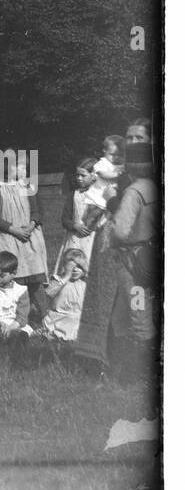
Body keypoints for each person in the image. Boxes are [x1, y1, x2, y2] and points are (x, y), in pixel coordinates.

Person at [107, 141, 159, 388]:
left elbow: (120, 231)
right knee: (121, 315)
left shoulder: (134, 192)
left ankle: (139, 374)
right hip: (151, 256)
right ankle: (121, 367)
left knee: (138, 314)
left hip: (132, 263)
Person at [0, 157, 47, 297]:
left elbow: (36, 211)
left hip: (28, 236)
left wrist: (30, 227)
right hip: (6, 236)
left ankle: (43, 315)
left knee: (34, 275)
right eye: (19, 167)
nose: (23, 171)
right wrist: (15, 230)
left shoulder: (27, 186)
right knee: (13, 275)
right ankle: (13, 310)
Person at [56, 157, 108, 270]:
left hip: (94, 240)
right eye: (77, 175)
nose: (79, 178)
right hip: (75, 240)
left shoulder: (102, 195)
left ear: (93, 176)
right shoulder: (74, 195)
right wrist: (75, 225)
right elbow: (65, 219)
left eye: (83, 175)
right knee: (72, 268)